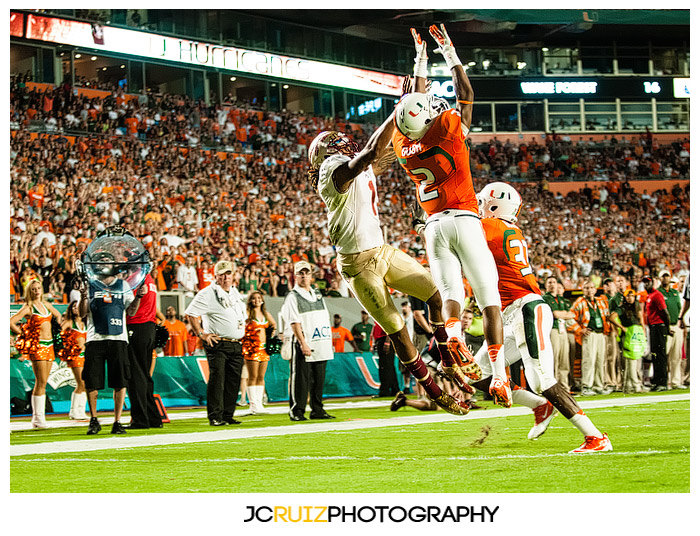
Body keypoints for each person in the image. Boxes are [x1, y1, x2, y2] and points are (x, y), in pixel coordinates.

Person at [309, 98, 474, 415]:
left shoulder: (349, 167)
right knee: (398, 331)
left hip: (381, 252)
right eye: (339, 147)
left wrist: (417, 98)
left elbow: (383, 152)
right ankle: (435, 392)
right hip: (358, 266)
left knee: (437, 294)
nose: (345, 147)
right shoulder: (334, 175)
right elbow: (371, 153)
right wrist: (401, 108)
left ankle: (451, 362)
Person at [393, 25, 509, 407]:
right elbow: (465, 94)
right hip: (464, 218)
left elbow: (414, 102)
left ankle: (455, 333)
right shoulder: (446, 130)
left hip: (433, 226)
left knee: (451, 295)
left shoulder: (403, 143)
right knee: (489, 298)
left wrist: (420, 60)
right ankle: (500, 375)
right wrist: (449, 54)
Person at [471, 182, 611, 453]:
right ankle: (540, 405)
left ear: (495, 205)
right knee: (476, 374)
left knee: (541, 379)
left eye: (482, 202)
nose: (478, 207)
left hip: (525, 308)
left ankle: (595, 437)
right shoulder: (501, 228)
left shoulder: (492, 227)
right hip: (509, 313)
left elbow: (460, 233)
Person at [80, 257, 147, 435]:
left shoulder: (123, 285)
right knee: (92, 381)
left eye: (107, 262)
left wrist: (139, 297)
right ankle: (93, 420)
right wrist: (82, 296)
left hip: (118, 337)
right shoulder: (91, 285)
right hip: (95, 337)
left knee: (120, 380)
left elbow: (131, 311)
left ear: (113, 266)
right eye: (100, 262)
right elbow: (82, 313)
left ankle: (117, 421)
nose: (104, 265)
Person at [185, 260, 247, 425]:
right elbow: (191, 313)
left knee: (233, 381)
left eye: (228, 274)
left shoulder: (235, 294)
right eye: (222, 275)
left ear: (233, 275)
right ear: (216, 276)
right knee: (217, 380)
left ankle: (227, 414)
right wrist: (202, 334)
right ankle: (215, 416)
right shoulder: (207, 293)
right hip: (217, 342)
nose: (226, 278)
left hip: (236, 342)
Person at [280, 261, 335, 421]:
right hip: (304, 342)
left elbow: (324, 317)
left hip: (320, 341)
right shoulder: (292, 296)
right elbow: (294, 322)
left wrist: (327, 341)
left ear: (311, 275)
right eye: (300, 273)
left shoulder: (317, 294)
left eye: (307, 273)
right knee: (301, 379)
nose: (304, 276)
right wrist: (303, 342)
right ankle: (297, 410)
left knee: (319, 378)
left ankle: (317, 409)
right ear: (295, 276)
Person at [10, 278, 63, 428]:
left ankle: (39, 417)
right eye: (33, 289)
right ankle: (37, 418)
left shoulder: (46, 305)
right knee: (40, 382)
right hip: (38, 346)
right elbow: (11, 322)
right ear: (29, 291)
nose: (36, 291)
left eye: (38, 288)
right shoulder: (29, 307)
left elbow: (58, 315)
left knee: (44, 382)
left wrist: (56, 329)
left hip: (50, 345)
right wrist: (25, 335)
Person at [125, 271, 163, 429]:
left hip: (136, 325)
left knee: (135, 375)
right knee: (145, 374)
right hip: (149, 327)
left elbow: (130, 307)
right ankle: (153, 417)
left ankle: (140, 419)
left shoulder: (135, 279)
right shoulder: (150, 279)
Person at [569, 280, 612, 396]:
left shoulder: (600, 301)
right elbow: (570, 316)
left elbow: (607, 316)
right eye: (587, 288)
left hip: (600, 333)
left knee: (600, 360)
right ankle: (586, 386)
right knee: (589, 360)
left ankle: (599, 385)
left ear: (595, 289)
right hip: (589, 333)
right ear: (583, 290)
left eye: (591, 287)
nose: (589, 290)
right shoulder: (580, 302)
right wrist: (579, 329)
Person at [241, 290, 277, 414]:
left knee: (261, 377)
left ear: (262, 300)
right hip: (252, 348)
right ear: (250, 300)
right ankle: (253, 405)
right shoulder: (247, 313)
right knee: (253, 376)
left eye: (259, 298)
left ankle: (259, 403)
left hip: (264, 348)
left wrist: (271, 335)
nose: (256, 300)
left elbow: (274, 325)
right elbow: (240, 326)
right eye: (254, 298)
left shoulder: (265, 314)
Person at [609, 289, 646, 393]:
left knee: (633, 360)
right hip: (628, 335)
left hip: (636, 335)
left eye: (632, 296)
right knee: (631, 360)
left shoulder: (636, 307)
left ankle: (628, 385)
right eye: (628, 296)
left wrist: (643, 333)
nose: (630, 298)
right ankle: (635, 385)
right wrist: (622, 327)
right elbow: (611, 318)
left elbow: (641, 320)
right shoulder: (621, 308)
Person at [541, 276, 575, 391]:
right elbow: (555, 314)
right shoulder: (545, 298)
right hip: (553, 329)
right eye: (549, 282)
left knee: (564, 358)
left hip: (563, 330)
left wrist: (563, 314)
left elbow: (571, 314)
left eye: (554, 282)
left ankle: (564, 386)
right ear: (546, 285)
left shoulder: (560, 299)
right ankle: (553, 386)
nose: (552, 284)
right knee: (554, 357)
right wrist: (563, 314)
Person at [58, 300, 88, 420]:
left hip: (86, 355)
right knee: (81, 383)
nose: (76, 309)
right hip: (75, 356)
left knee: (86, 383)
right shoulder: (69, 322)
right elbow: (59, 334)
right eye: (74, 307)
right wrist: (68, 345)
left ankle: (80, 410)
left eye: (78, 307)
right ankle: (74, 411)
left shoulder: (86, 322)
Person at [643, 275, 671, 391]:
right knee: (655, 355)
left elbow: (665, 313)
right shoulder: (649, 296)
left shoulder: (657, 295)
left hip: (659, 326)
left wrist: (667, 328)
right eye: (644, 283)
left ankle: (663, 382)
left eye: (648, 282)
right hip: (654, 327)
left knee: (660, 355)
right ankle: (657, 381)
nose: (646, 285)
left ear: (653, 283)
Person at [658, 270, 684, 389]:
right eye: (663, 276)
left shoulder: (674, 293)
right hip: (664, 327)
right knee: (663, 356)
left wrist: (681, 322)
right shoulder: (658, 292)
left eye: (667, 276)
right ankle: (662, 381)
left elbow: (679, 309)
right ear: (659, 278)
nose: (666, 278)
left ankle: (676, 381)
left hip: (676, 326)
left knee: (676, 355)